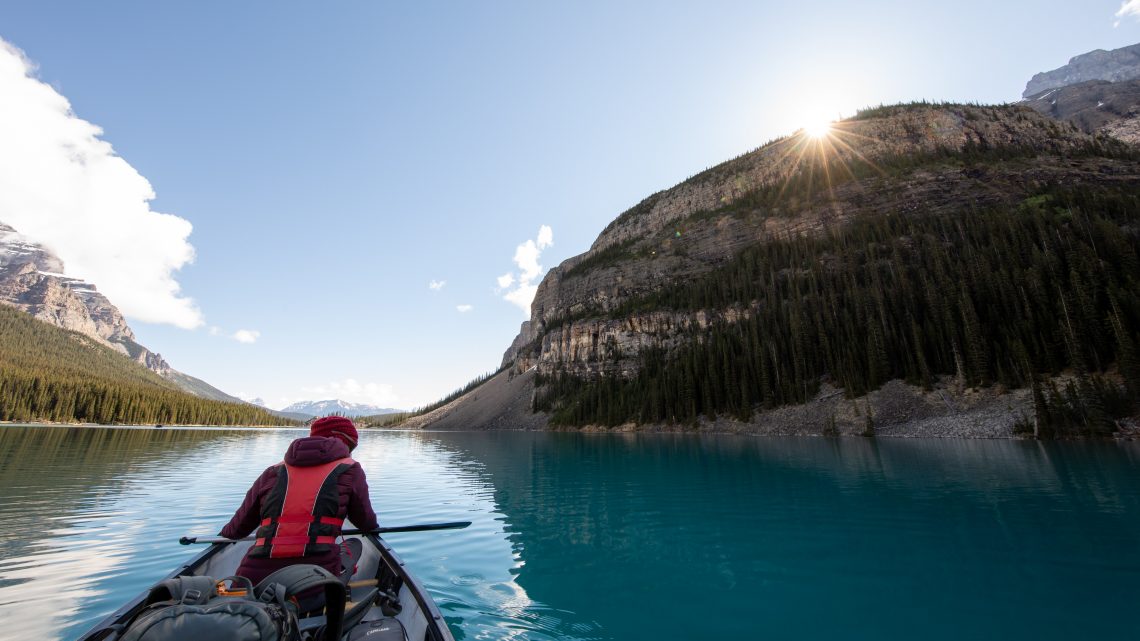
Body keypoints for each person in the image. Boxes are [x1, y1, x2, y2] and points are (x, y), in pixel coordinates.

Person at [219, 416, 378, 585]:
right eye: (351, 447)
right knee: (354, 545)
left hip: (252, 582)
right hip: (316, 584)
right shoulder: (350, 469)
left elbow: (235, 531)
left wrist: (224, 534)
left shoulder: (272, 472)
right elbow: (366, 523)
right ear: (345, 443)